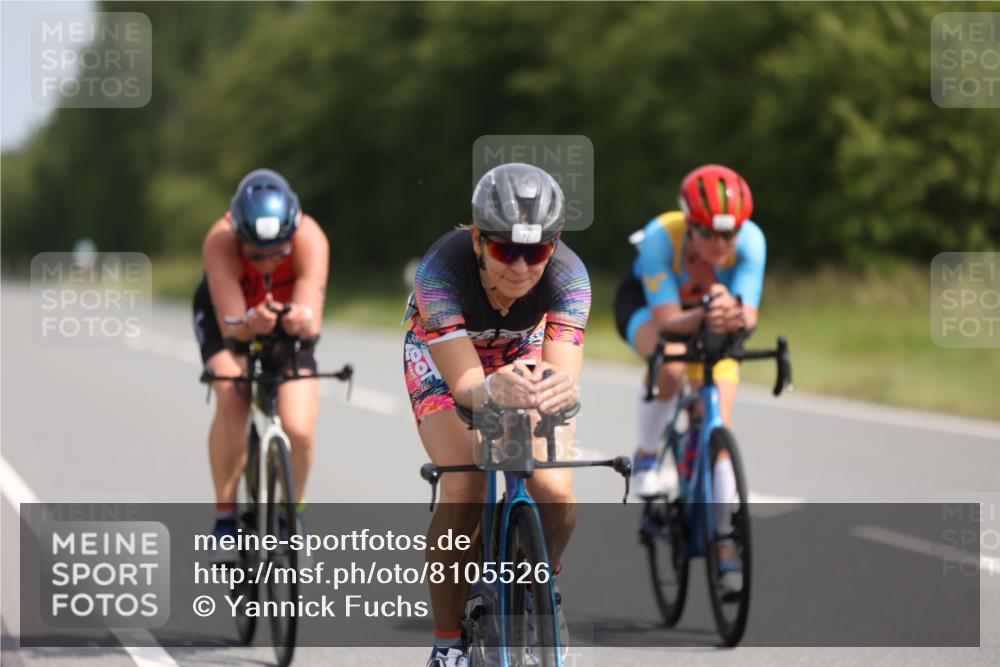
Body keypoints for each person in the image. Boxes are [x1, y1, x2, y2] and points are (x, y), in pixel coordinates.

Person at [404, 163, 590, 667]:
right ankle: (446, 645)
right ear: (478, 241)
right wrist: (489, 390)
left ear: (555, 246)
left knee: (555, 489)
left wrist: (553, 395)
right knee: (464, 488)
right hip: (447, 363)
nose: (521, 268)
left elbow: (561, 377)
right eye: (506, 249)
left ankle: (538, 590)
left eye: (536, 252)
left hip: (519, 356)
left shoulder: (570, 276)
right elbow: (466, 388)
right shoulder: (439, 272)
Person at [613, 164, 765, 585]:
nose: (720, 244)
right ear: (689, 224)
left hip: (709, 320)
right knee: (673, 364)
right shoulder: (662, 238)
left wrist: (734, 316)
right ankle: (647, 452)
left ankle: (723, 540)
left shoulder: (752, 241)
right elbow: (666, 320)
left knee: (721, 423)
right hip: (650, 308)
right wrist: (707, 313)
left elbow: (749, 315)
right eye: (708, 234)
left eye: (729, 234)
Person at [192, 168, 329, 560]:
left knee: (298, 429)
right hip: (228, 319)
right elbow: (233, 330)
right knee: (231, 390)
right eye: (255, 255)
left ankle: (292, 512)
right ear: (238, 237)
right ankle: (224, 516)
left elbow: (309, 322)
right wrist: (251, 324)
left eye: (278, 253)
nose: (268, 264)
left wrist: (297, 320)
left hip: (286, 322)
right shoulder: (219, 242)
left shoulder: (311, 237)